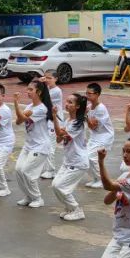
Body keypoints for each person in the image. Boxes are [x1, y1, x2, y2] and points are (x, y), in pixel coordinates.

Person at [12, 81, 54, 208]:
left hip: (40, 146)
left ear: (39, 92)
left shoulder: (42, 108)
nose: (27, 91)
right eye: (27, 89)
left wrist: (15, 102)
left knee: (27, 171)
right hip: (29, 145)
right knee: (19, 170)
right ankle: (28, 196)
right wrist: (21, 111)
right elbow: (19, 121)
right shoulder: (29, 106)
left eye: (30, 89)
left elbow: (22, 118)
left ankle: (37, 198)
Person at [51, 92, 90, 221]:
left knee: (61, 187)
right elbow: (58, 139)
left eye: (70, 102)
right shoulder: (68, 121)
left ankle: (77, 210)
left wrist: (54, 117)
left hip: (78, 162)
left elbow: (60, 134)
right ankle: (70, 208)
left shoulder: (78, 123)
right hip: (68, 161)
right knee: (55, 185)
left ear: (78, 106)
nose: (66, 104)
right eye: (66, 101)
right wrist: (60, 132)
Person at [83, 84, 115, 188]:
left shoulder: (101, 109)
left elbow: (92, 126)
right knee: (85, 158)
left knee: (91, 157)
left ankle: (101, 180)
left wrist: (85, 116)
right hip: (95, 136)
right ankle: (96, 178)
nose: (87, 95)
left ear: (97, 94)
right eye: (86, 93)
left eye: (89, 93)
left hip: (104, 136)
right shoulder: (89, 107)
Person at [39, 71, 64, 179]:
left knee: (50, 145)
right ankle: (48, 168)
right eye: (46, 77)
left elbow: (42, 98)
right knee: (46, 144)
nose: (47, 80)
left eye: (50, 78)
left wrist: (40, 84)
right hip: (49, 120)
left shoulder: (57, 91)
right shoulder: (48, 89)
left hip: (55, 121)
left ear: (56, 79)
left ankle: (51, 170)